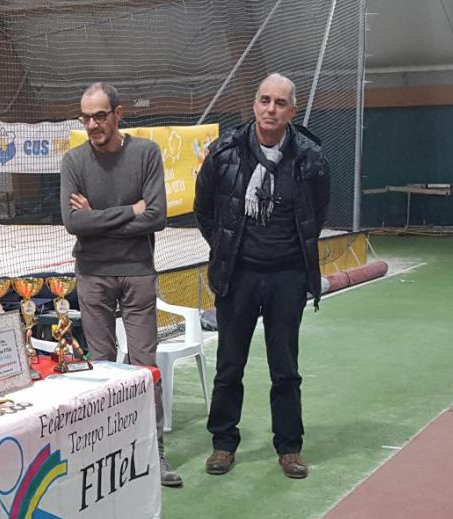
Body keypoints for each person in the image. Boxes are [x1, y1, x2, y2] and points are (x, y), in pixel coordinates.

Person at [193, 73, 330, 479]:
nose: (271, 109)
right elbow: (205, 210)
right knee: (229, 365)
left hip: (288, 276)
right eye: (264, 100)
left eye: (280, 103)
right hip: (238, 276)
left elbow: (316, 215)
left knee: (285, 368)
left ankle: (289, 448)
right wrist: (226, 248)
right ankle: (223, 444)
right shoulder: (225, 152)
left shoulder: (310, 157)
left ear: (293, 111)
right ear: (254, 105)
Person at [60, 82, 182, 488]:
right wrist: (130, 210)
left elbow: (157, 216)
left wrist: (98, 218)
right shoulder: (74, 161)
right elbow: (73, 223)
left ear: (118, 114)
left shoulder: (146, 153)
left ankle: (153, 452)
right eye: (85, 117)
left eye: (99, 116)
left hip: (137, 272)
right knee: (101, 365)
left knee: (145, 366)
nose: (92, 124)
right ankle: (104, 453)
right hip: (92, 273)